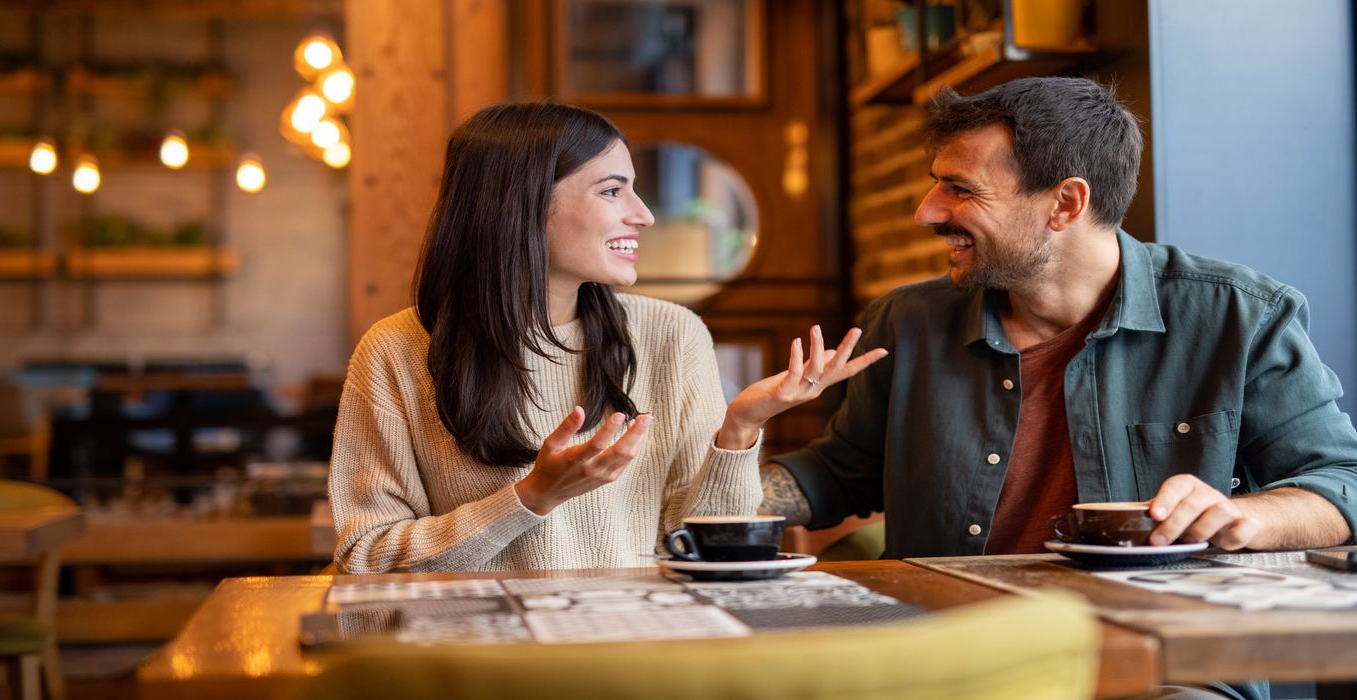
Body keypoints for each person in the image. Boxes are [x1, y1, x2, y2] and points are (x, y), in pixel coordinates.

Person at [760, 76, 1357, 699]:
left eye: (960, 189)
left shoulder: (1240, 316)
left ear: (1066, 204)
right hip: (945, 662)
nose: (928, 211)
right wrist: (727, 463)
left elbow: (1343, 483)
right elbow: (839, 472)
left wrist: (1241, 516)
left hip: (1161, 671)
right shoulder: (905, 323)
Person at [329, 102, 884, 573]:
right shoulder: (397, 350)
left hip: (634, 652)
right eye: (612, 190)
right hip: (477, 663)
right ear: (520, 204)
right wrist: (531, 498)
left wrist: (739, 429)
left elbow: (699, 547)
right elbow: (365, 557)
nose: (642, 215)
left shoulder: (671, 335)